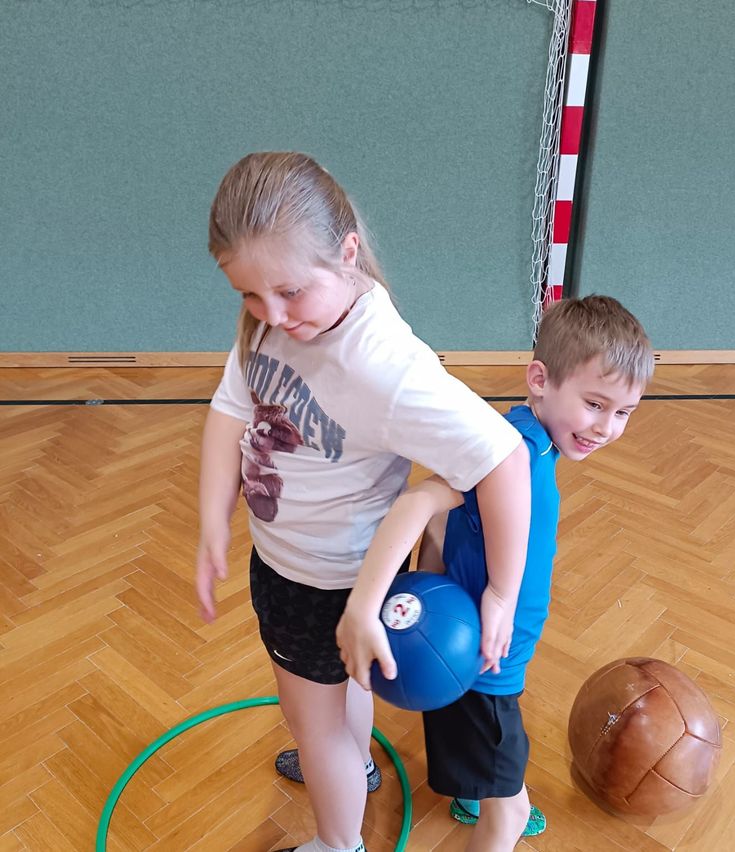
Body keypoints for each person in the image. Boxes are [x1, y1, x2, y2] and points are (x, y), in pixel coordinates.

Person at [195, 151, 531, 852]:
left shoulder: (388, 368)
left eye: (289, 292)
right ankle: (353, 769)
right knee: (339, 698)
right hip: (285, 561)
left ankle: (337, 840)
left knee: (311, 727)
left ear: (347, 253)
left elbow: (505, 456)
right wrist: (209, 526)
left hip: (327, 581)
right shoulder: (268, 322)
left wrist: (501, 593)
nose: (273, 316)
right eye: (250, 296)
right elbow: (230, 408)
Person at [336, 295, 655, 851]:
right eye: (595, 404)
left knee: (486, 759)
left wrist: (445, 567)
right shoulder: (515, 452)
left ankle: (472, 791)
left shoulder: (531, 442)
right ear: (540, 379)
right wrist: (475, 594)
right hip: (485, 665)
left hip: (492, 655)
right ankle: (490, 804)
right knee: (510, 809)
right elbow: (421, 503)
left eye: (623, 412)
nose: (605, 427)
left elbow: (446, 520)